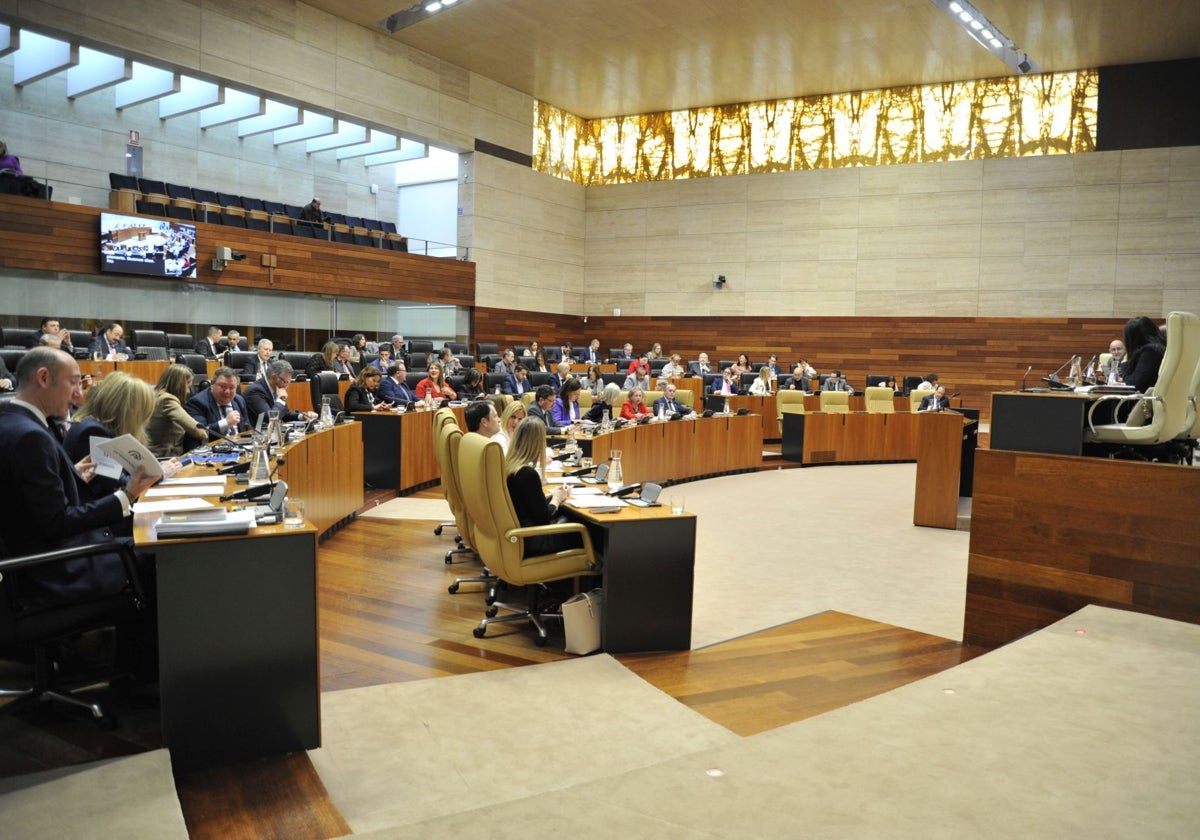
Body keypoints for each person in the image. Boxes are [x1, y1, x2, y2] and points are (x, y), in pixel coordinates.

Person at [0, 348, 159, 602]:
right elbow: (57, 524)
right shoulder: (31, 436)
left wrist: (70, 477)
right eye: (73, 382)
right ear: (43, 378)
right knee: (160, 554)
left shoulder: (11, 421)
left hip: (35, 562)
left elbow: (27, 502)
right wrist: (127, 495)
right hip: (57, 572)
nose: (80, 393)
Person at [64, 371, 159, 499]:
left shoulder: (97, 424)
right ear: (126, 410)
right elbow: (119, 483)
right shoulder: (92, 431)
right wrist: (158, 474)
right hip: (99, 513)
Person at [504, 417, 582, 557]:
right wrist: (557, 499)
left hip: (515, 537)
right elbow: (544, 518)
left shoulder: (508, 466)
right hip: (532, 539)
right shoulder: (527, 474)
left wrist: (552, 496)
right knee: (588, 530)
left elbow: (526, 504)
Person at [147, 363, 208, 457]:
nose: (188, 392)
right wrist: (206, 434)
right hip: (164, 457)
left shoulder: (155, 395)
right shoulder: (167, 400)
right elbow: (195, 429)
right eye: (188, 387)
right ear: (179, 384)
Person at [244, 360, 318, 424]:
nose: (286, 386)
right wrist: (281, 400)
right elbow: (270, 419)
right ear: (273, 377)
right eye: (285, 382)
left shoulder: (276, 388)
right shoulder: (255, 391)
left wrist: (303, 416)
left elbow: (286, 415)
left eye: (288, 382)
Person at [185, 366, 250, 438]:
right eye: (223, 386)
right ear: (212, 384)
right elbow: (200, 434)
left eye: (231, 387)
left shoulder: (239, 400)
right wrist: (225, 422)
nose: (227, 391)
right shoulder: (197, 403)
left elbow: (247, 429)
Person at [1121, 315, 1166, 393]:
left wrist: (1125, 363)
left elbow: (1133, 385)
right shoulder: (1159, 348)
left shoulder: (1150, 352)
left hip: (1144, 402)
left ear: (1132, 339)